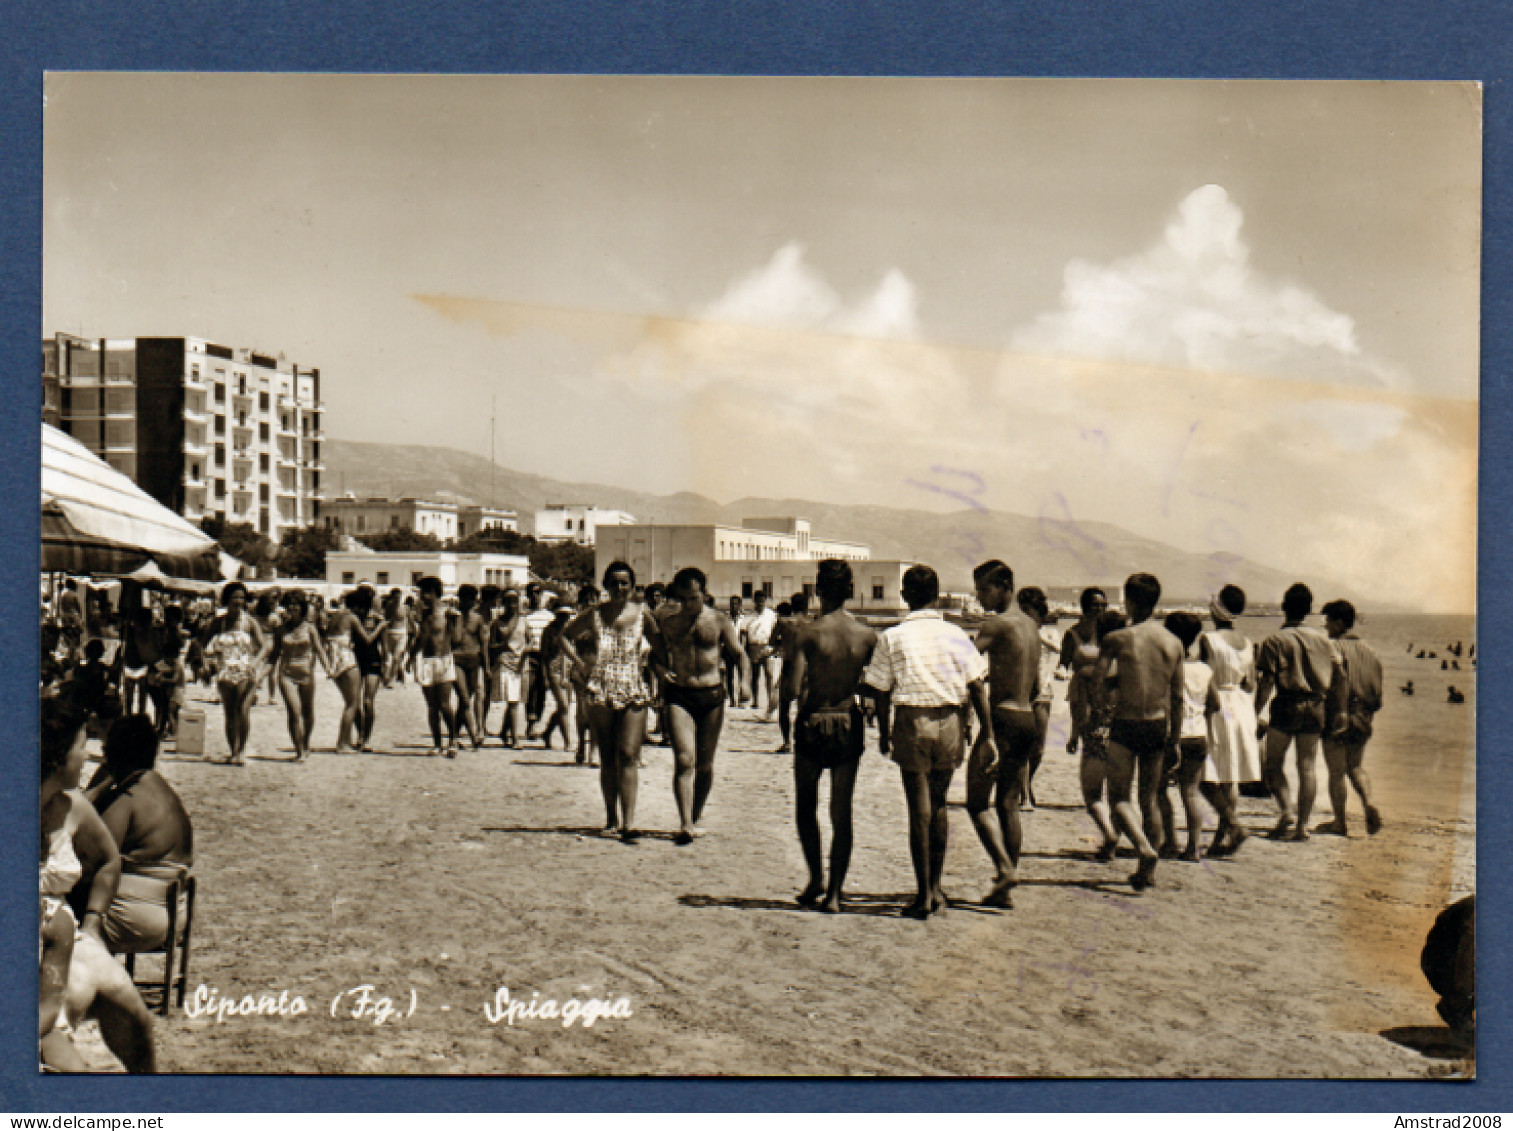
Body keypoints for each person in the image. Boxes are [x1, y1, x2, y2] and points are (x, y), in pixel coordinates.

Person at [863, 564, 994, 919]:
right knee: (938, 806)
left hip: (913, 720)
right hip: (950, 722)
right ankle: (936, 888)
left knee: (918, 810)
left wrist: (885, 733)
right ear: (937, 596)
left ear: (905, 596)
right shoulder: (956, 635)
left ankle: (923, 895)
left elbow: (881, 691)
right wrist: (987, 733)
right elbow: (976, 686)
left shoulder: (891, 636)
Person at [40, 699, 156, 1073]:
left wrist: (93, 922)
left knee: (137, 1017)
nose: (88, 756)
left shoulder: (73, 806)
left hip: (64, 933)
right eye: (81, 746)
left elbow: (108, 862)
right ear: (57, 758)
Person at [783, 560, 878, 912]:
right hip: (846, 724)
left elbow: (793, 688)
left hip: (813, 722)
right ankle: (836, 893)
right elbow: (875, 686)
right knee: (842, 812)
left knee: (806, 808)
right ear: (850, 591)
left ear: (817, 590)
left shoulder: (805, 633)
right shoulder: (866, 635)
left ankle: (815, 879)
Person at [1089, 573, 1184, 890]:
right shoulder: (1173, 642)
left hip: (1126, 722)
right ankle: (1148, 872)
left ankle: (1144, 849)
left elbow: (1098, 685)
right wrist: (1175, 739)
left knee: (1118, 796)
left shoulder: (1117, 639)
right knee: (1151, 799)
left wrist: (1100, 716)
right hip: (1158, 724)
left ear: (1128, 601)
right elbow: (1178, 697)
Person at [558, 562, 660, 841]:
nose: (619, 588)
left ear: (632, 585)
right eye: (614, 582)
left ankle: (629, 822)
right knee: (607, 757)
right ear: (606, 585)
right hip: (601, 688)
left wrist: (660, 676)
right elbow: (564, 637)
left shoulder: (643, 615)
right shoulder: (595, 614)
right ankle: (611, 817)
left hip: (633, 687)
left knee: (629, 754)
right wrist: (581, 665)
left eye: (625, 582)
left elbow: (661, 646)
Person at [963, 561, 1041, 907]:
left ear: (1005, 586)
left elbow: (966, 662)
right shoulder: (1031, 625)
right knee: (1008, 803)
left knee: (977, 803)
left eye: (984, 589)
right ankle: (1007, 886)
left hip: (1003, 718)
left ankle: (1004, 869)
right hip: (1027, 717)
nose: (979, 597)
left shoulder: (997, 624)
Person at [656, 568, 752, 844]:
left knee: (705, 764)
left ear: (704, 594)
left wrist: (745, 683)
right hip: (680, 695)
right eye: (683, 599)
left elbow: (740, 654)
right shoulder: (670, 623)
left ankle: (695, 814)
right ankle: (685, 823)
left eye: (693, 598)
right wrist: (662, 672)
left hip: (711, 696)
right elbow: (655, 657)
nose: (688, 605)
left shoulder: (719, 620)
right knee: (685, 760)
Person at [83, 715, 194, 954]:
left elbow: (92, 857)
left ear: (114, 753)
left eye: (106, 749)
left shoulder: (127, 799)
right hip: (176, 916)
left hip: (134, 919)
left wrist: (97, 787)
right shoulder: (162, 791)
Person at [1254, 583, 1339, 841]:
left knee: (1273, 764)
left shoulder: (1274, 641)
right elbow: (1338, 675)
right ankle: (1302, 828)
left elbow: (1267, 682)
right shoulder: (1324, 640)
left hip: (1287, 703)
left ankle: (1286, 810)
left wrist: (1254, 710)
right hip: (1316, 705)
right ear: (1309, 609)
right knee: (1308, 767)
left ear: (1283, 607)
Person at [1197, 586, 1261, 856]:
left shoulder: (1208, 639)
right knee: (1230, 775)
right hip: (1241, 707)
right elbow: (1250, 684)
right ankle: (1223, 837)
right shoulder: (1246, 642)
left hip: (1218, 705)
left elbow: (1203, 676)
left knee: (1204, 772)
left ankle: (1233, 825)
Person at [1317, 599, 1384, 836]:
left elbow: (1328, 683)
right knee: (1355, 766)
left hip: (1338, 714)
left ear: (1338, 623)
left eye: (1328, 621)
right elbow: (1377, 692)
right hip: (1363, 716)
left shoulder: (1331, 647)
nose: (1325, 627)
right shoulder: (1371, 651)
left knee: (1336, 772)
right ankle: (1368, 803)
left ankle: (1339, 822)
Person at [1160, 612, 1216, 861]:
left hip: (1172, 735)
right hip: (1198, 735)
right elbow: (1215, 703)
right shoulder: (1204, 669)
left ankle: (1170, 841)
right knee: (1191, 792)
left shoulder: (1168, 666)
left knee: (1159, 790)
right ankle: (1193, 847)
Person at [1078, 609, 1127, 860]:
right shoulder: (1131, 672)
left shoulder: (1090, 671)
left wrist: (1075, 734)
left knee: (1093, 795)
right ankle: (1115, 841)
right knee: (1120, 797)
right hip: (1123, 736)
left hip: (1097, 736)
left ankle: (1109, 835)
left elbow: (1081, 710)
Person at [202, 581, 267, 765]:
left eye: (241, 597)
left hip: (246, 670)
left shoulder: (250, 622)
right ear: (227, 600)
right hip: (225, 672)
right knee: (229, 714)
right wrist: (205, 664)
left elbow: (264, 646)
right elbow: (201, 644)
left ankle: (242, 750)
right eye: (235, 597)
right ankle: (233, 751)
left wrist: (255, 662)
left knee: (243, 710)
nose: (239, 601)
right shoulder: (219, 623)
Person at [267, 590, 331, 762]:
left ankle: (306, 743)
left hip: (306, 673)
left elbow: (320, 649)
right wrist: (261, 675)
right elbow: (273, 655)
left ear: (302, 607)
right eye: (290, 604)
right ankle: (299, 751)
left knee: (308, 712)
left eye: (296, 604)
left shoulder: (310, 628)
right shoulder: (280, 629)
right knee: (294, 712)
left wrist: (328, 669)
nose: (293, 607)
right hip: (286, 674)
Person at [409, 577, 460, 756]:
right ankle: (437, 744)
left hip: (444, 659)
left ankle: (452, 740)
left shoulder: (448, 613)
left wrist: (455, 623)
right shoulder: (423, 614)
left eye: (425, 592)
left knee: (445, 704)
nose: (422, 596)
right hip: (426, 661)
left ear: (434, 592)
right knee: (432, 706)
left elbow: (456, 640)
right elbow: (420, 638)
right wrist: (411, 656)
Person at [1016, 585, 1057, 809]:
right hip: (1021, 692)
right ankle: (1024, 794)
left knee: (1039, 748)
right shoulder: (1018, 630)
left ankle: (1026, 783)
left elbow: (1058, 650)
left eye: (1029, 609)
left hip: (1043, 692)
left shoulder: (1049, 630)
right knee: (1023, 744)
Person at [1059, 587, 1109, 754]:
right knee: (1089, 740)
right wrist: (1061, 671)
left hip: (1106, 692)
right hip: (1081, 692)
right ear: (1085, 606)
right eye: (1095, 605)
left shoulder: (1110, 633)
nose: (1100, 609)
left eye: (1103, 605)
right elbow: (1063, 663)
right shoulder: (1072, 634)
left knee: (1106, 743)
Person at [325, 590, 376, 753]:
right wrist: (381, 627)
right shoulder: (352, 617)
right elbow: (367, 639)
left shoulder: (335, 617)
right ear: (360, 607)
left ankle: (345, 741)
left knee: (348, 702)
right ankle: (342, 743)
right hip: (346, 657)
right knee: (352, 704)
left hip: (333, 658)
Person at [449, 584, 490, 749]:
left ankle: (455, 734)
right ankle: (474, 735)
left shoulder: (477, 619)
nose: (467, 602)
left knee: (468, 699)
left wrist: (486, 666)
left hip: (473, 660)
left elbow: (483, 644)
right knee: (465, 698)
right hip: (457, 659)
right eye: (464, 599)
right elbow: (454, 640)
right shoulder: (452, 617)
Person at [348, 586, 387, 752]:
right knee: (355, 702)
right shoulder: (352, 618)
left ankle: (366, 738)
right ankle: (360, 734)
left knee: (368, 701)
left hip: (373, 660)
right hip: (356, 659)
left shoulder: (377, 619)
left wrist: (386, 665)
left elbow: (383, 645)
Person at [490, 588, 528, 747]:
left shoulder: (523, 621)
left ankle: (505, 732)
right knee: (512, 701)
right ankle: (515, 738)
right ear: (503, 603)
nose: (512, 604)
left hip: (521, 663)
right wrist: (502, 646)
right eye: (509, 601)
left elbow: (528, 642)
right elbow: (491, 645)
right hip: (505, 662)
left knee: (515, 700)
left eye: (515, 601)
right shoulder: (497, 622)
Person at [772, 592, 810, 750]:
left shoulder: (784, 623)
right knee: (804, 707)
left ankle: (787, 742)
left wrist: (784, 643)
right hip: (807, 667)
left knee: (784, 706)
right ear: (806, 606)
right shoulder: (811, 624)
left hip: (789, 665)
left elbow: (772, 640)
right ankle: (803, 741)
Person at [538, 601, 577, 751]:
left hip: (568, 669)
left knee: (563, 707)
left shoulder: (572, 630)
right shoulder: (549, 631)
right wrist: (545, 675)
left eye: (566, 615)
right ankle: (567, 741)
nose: (564, 618)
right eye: (561, 615)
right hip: (553, 670)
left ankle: (547, 732)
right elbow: (544, 655)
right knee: (564, 706)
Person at [742, 590, 780, 716]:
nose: (760, 604)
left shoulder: (771, 615)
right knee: (755, 675)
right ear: (754, 602)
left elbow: (775, 631)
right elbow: (745, 635)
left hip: (767, 646)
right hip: (754, 647)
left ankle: (770, 700)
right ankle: (755, 700)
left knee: (769, 674)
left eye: (762, 601)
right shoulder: (749, 617)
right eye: (758, 601)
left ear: (765, 601)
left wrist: (773, 647)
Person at [382, 589, 409, 688]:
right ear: (392, 597)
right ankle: (386, 678)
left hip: (402, 633)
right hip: (390, 633)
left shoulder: (405, 608)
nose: (398, 599)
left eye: (399, 597)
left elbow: (409, 620)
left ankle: (391, 679)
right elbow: (385, 621)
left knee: (396, 658)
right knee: (388, 659)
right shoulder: (388, 607)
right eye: (396, 597)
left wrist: (414, 632)